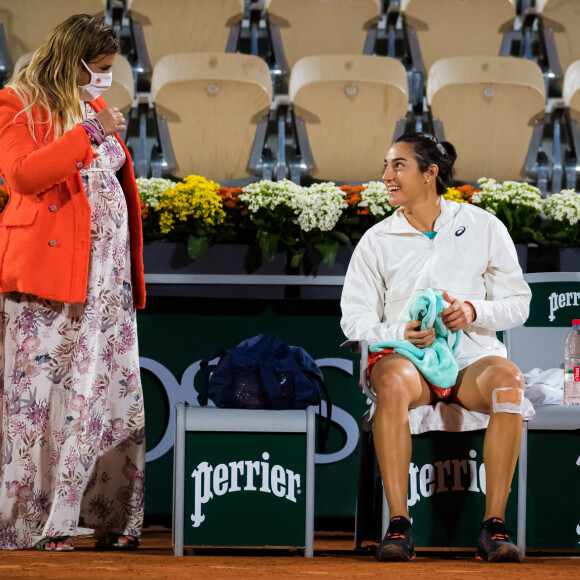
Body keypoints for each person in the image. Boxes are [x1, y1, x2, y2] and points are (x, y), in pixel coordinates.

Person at [341, 132, 531, 563]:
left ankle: (494, 527)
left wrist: (472, 311)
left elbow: (519, 303)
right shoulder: (375, 240)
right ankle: (398, 525)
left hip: (470, 361)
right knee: (388, 382)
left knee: (509, 383)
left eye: (398, 166)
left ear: (430, 174)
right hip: (407, 361)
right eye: (386, 166)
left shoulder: (483, 226)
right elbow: (353, 318)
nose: (386, 176)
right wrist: (399, 333)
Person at [0, 14, 146, 551]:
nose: (106, 78)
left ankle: (108, 517)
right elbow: (22, 176)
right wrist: (89, 133)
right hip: (47, 282)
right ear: (73, 60)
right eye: (100, 68)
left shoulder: (92, 108)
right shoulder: (17, 104)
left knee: (104, 398)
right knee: (41, 402)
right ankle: (37, 523)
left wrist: (97, 128)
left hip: (106, 287)